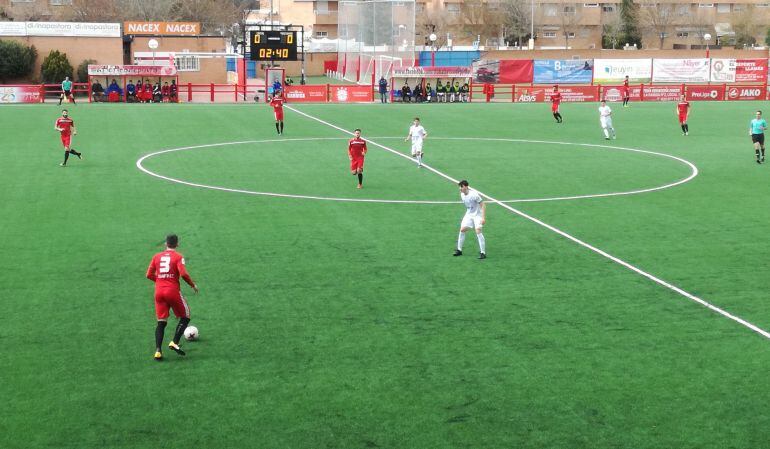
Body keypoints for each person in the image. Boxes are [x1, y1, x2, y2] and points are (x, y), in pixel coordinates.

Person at [146, 234, 198, 361]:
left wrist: (160, 280)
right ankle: (174, 342)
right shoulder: (178, 257)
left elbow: (148, 274)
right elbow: (184, 274)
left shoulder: (156, 256)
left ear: (166, 244)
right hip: (172, 291)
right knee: (186, 316)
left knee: (161, 322)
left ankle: (158, 351)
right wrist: (192, 285)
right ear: (177, 244)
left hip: (158, 292)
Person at [453, 180, 487, 260]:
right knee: (462, 229)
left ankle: (483, 253)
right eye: (459, 187)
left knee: (478, 230)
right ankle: (459, 250)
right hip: (469, 214)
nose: (460, 188)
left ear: (466, 186)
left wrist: (483, 217)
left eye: (461, 186)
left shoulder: (474, 195)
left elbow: (483, 205)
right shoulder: (462, 195)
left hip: (477, 215)